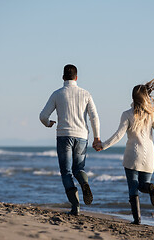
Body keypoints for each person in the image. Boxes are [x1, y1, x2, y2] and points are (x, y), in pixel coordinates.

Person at [95, 73, 154, 224]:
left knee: (133, 187)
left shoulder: (127, 114)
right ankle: (150, 188)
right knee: (143, 185)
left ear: (133, 97)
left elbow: (118, 135)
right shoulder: (152, 115)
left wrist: (103, 145)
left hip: (132, 156)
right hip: (149, 157)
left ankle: (137, 219)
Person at [39, 64, 101, 215]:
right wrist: (96, 136)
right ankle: (84, 182)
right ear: (76, 77)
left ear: (63, 77)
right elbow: (94, 117)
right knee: (78, 169)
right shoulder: (86, 94)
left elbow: (43, 116)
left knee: (66, 172)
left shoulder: (57, 94)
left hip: (64, 135)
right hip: (81, 136)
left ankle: (76, 206)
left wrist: (48, 123)